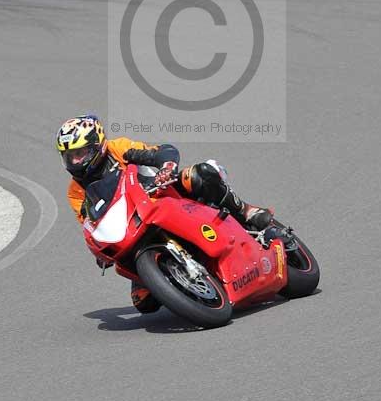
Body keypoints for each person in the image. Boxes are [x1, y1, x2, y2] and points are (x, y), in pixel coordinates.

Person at [56, 115, 273, 314]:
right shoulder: (75, 191)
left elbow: (161, 152)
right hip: (132, 229)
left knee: (199, 175)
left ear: (98, 146)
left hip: (162, 195)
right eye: (69, 157)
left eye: (79, 153)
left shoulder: (118, 149)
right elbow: (89, 222)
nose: (75, 161)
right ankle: (184, 281)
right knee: (144, 303)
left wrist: (166, 168)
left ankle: (245, 211)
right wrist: (100, 250)